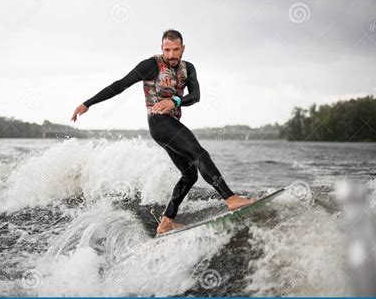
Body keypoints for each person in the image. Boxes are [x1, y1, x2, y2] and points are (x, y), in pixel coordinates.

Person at [71, 29, 256, 234]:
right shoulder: (151, 65)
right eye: (167, 50)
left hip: (171, 123)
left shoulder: (188, 68)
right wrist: (88, 103)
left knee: (189, 175)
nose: (171, 55)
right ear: (162, 48)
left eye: (176, 50)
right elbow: (120, 85)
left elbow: (195, 96)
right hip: (159, 123)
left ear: (182, 49)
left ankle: (166, 221)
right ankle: (230, 198)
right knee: (200, 154)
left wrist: (174, 101)